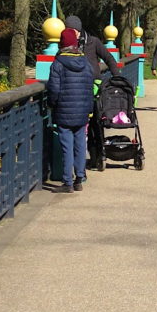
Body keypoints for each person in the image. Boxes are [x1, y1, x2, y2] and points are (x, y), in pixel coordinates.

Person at [46, 28, 95, 193]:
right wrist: (89, 109)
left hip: (64, 111)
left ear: (62, 44)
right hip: (82, 111)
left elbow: (53, 90)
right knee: (80, 144)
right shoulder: (86, 62)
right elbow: (89, 88)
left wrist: (51, 105)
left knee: (67, 146)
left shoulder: (58, 63)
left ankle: (67, 182)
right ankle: (79, 178)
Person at [63, 14, 119, 79]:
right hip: (75, 84)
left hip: (93, 83)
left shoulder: (93, 41)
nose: (70, 34)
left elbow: (109, 58)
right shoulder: (65, 45)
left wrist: (117, 77)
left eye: (72, 31)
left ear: (78, 30)